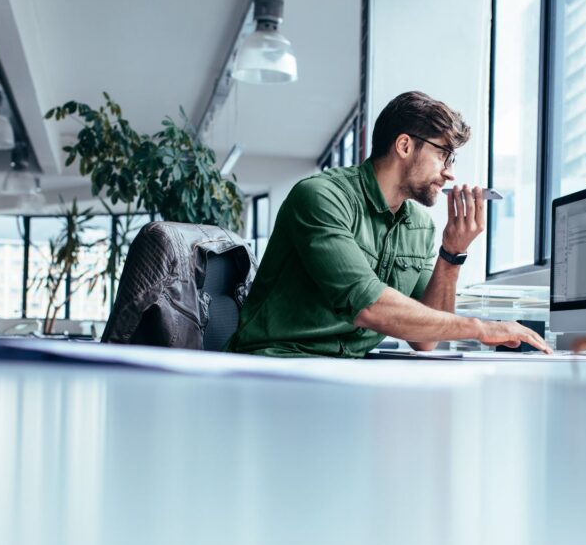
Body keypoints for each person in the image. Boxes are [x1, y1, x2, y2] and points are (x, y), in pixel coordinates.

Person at [226, 91, 552, 358]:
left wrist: (453, 252)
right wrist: (483, 328)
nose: (450, 172)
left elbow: (425, 341)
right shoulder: (321, 197)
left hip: (345, 369)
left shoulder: (419, 227)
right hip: (278, 360)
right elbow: (368, 307)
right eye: (444, 155)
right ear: (405, 146)